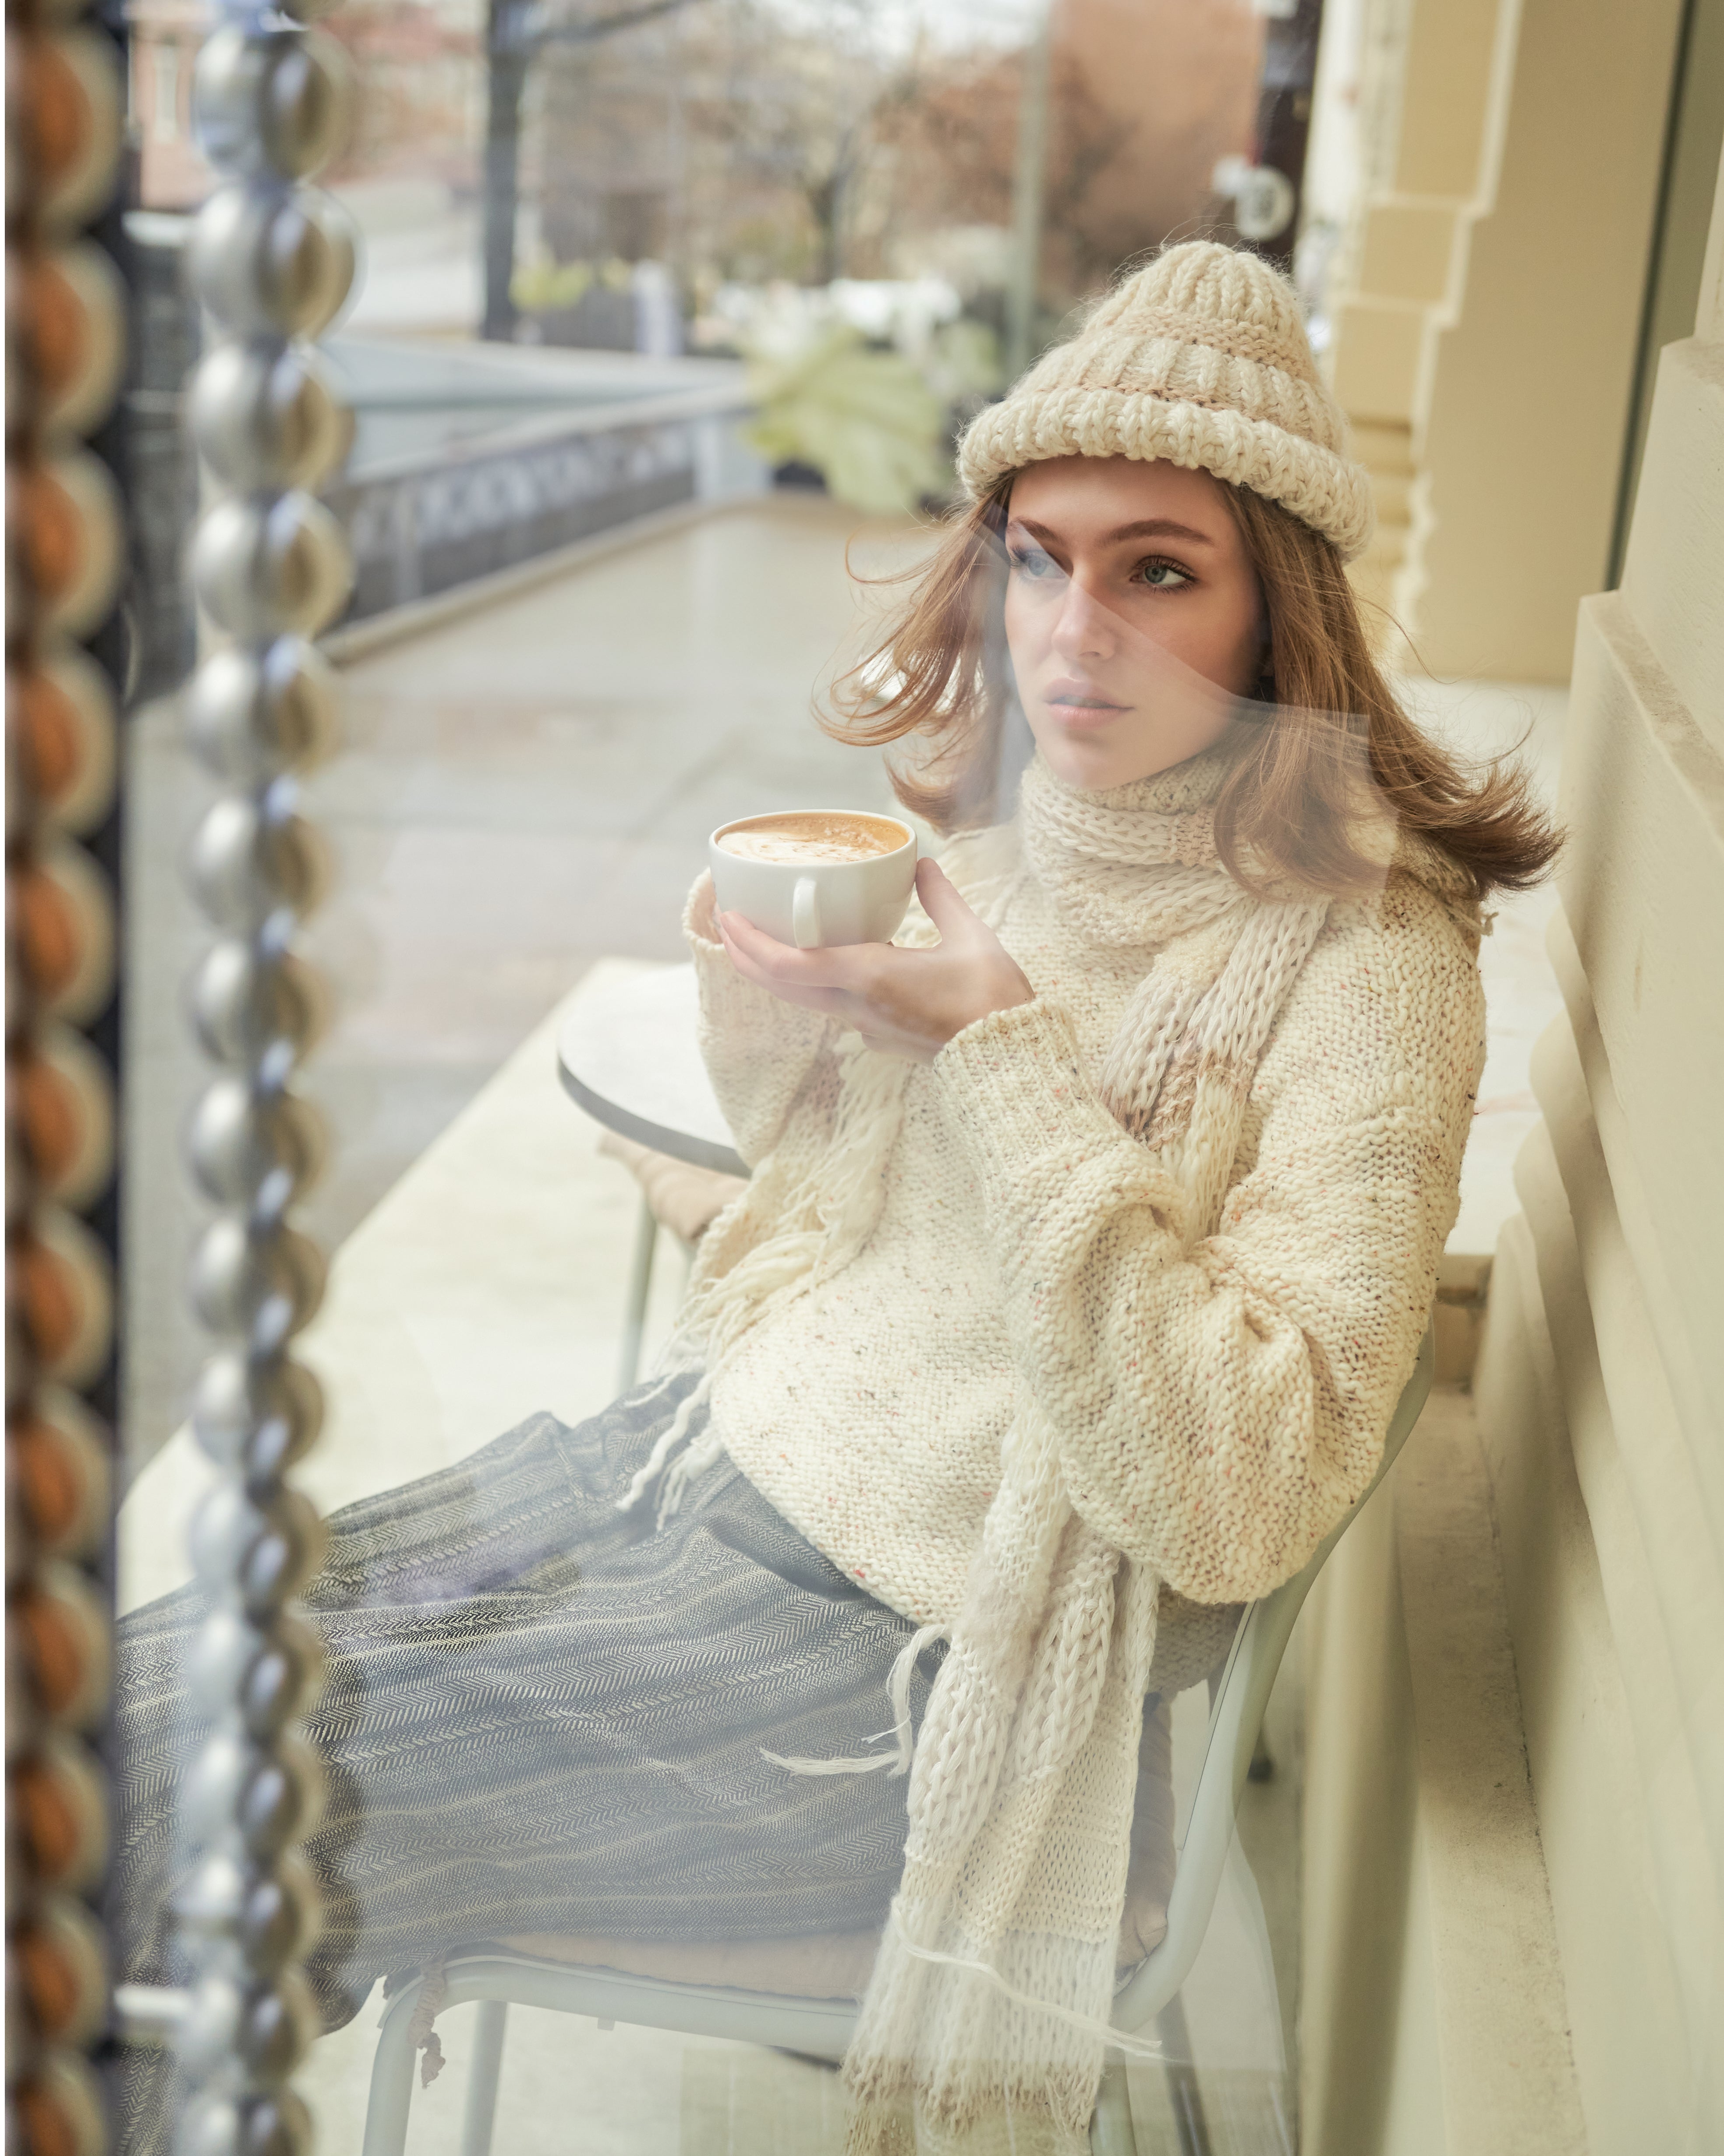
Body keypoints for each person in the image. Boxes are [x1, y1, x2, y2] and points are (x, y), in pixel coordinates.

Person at [113, 241, 1557, 2154]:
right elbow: (836, 1210)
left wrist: (998, 1050)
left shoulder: (1368, 958)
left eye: (1159, 569)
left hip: (910, 1686)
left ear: (1278, 609)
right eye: (1038, 555)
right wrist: (790, 1005)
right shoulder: (1008, 845)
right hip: (696, 1487)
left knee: (176, 1786)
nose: (1074, 630)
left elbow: (1242, 1487)